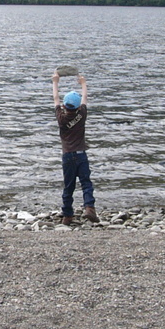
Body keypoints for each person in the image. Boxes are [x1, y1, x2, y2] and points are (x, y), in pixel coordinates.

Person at [52, 72, 99, 225]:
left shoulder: (61, 118)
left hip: (67, 157)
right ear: (79, 106)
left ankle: (67, 215)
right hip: (81, 155)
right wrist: (83, 83)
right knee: (86, 182)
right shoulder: (82, 114)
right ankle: (89, 207)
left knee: (69, 186)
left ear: (64, 106)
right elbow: (85, 98)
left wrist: (55, 82)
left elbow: (55, 99)